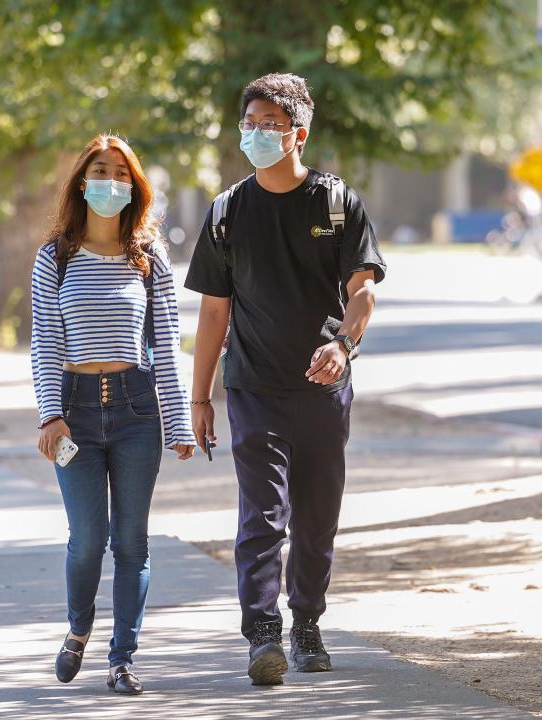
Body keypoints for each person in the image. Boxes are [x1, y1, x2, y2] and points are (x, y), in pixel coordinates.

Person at [185, 73, 385, 686]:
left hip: (324, 388)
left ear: (299, 133)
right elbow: (213, 312)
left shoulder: (336, 203)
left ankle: (307, 625)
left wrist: (343, 347)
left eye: (269, 124)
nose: (256, 133)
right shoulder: (227, 212)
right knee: (263, 515)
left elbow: (364, 288)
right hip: (253, 388)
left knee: (317, 515)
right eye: (249, 123)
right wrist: (199, 398)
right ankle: (262, 633)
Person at [31, 134, 195, 695]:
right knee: (87, 538)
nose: (111, 182)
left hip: (136, 410)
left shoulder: (149, 257)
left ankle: (122, 658)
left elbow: (167, 342)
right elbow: (46, 341)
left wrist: (176, 423)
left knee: (132, 542)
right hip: (74, 412)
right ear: (82, 181)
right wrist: (50, 414)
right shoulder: (55, 256)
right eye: (101, 171)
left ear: (135, 186)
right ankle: (78, 628)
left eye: (122, 174)